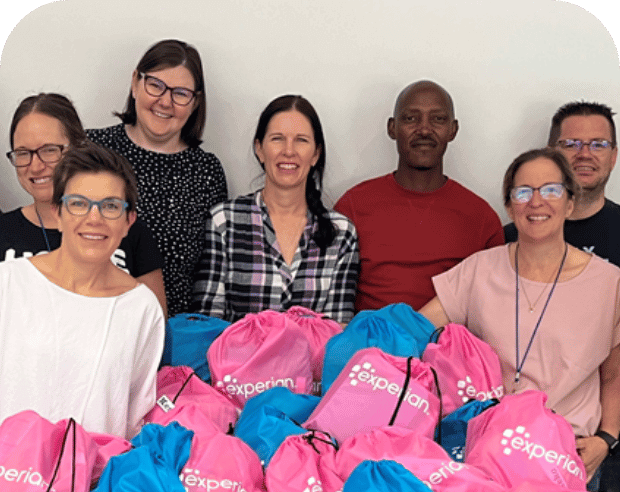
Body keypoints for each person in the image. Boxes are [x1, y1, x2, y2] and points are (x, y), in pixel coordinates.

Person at [420, 148, 620, 490]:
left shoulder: (609, 283)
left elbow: (614, 373)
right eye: (523, 192)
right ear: (510, 206)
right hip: (484, 451)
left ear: (570, 203)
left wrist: (607, 438)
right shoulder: (479, 269)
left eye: (551, 190)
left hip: (566, 454)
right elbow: (415, 329)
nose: (536, 202)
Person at [0, 142, 165, 439]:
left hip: (95, 467)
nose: (94, 218)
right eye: (78, 203)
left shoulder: (141, 307)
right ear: (58, 213)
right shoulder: (9, 282)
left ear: (128, 222)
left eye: (110, 206)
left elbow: (135, 415)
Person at [335, 80, 504, 312]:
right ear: (392, 128)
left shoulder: (481, 218)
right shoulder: (353, 206)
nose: (424, 130)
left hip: (448, 334)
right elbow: (331, 300)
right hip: (367, 333)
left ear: (453, 130)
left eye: (438, 119)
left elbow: (493, 308)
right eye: (411, 118)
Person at [87, 39, 228, 316]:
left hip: (174, 330)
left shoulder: (207, 171)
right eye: (155, 85)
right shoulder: (92, 150)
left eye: (181, 93)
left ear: (195, 102)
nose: (165, 101)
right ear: (135, 83)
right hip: (93, 319)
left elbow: (209, 273)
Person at [191, 94, 359, 324]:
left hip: (317, 351)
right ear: (259, 149)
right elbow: (207, 324)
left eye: (301, 140)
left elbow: (337, 330)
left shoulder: (341, 232)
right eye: (277, 139)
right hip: (236, 350)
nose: (288, 151)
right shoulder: (224, 221)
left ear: (316, 154)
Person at [1, 93, 167, 315]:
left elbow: (154, 322)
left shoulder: (124, 228)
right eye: (23, 153)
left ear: (78, 147)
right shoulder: (3, 232)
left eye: (49, 150)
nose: (36, 166)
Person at [504, 101, 619, 265]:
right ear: (551, 154)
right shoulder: (508, 239)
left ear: (613, 157)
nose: (585, 154)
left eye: (598, 145)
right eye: (571, 144)